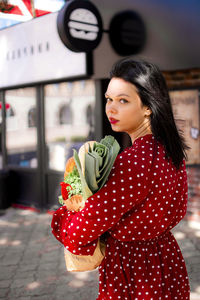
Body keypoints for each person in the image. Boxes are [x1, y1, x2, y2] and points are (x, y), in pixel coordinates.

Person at [51, 58, 190, 299]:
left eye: (123, 100)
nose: (111, 109)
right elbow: (178, 210)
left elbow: (79, 233)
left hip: (133, 270)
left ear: (148, 106)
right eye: (109, 99)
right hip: (166, 260)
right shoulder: (171, 152)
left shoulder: (130, 163)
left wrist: (65, 215)